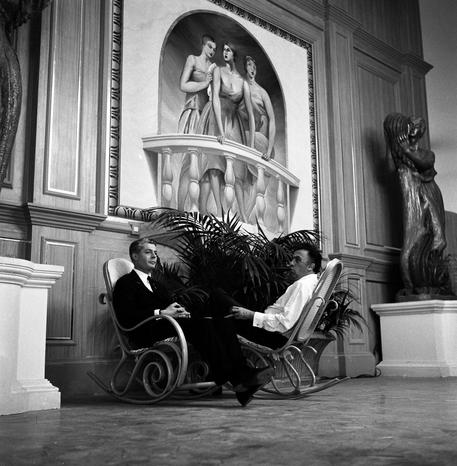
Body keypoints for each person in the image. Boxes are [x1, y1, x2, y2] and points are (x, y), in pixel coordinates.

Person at [112, 238, 273, 406]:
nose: (154, 256)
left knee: (220, 322)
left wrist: (181, 311)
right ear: (135, 256)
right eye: (148, 252)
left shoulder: (157, 284)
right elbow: (126, 317)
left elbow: (171, 305)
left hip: (169, 325)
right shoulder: (125, 283)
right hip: (146, 331)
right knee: (203, 325)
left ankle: (240, 378)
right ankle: (239, 379)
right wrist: (161, 312)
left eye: (155, 253)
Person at [383, 113, 448, 296]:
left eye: (418, 125)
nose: (413, 128)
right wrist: (390, 142)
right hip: (412, 199)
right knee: (412, 241)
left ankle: (432, 281)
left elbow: (424, 162)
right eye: (411, 124)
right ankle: (412, 283)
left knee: (436, 237)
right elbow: (390, 167)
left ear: (422, 131)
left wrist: (405, 149)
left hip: (430, 194)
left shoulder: (427, 154)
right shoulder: (400, 153)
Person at [197, 42, 256, 221]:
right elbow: (215, 97)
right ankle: (219, 209)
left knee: (237, 169)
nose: (224, 52)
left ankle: (242, 215)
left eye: (228, 50)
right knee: (214, 164)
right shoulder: (218, 71)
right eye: (223, 50)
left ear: (234, 54)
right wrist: (220, 131)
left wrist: (251, 145)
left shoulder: (243, 82)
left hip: (233, 121)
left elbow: (251, 115)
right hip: (216, 116)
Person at [229, 244, 322, 349]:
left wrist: (250, 315)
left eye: (297, 260)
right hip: (274, 332)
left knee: (220, 304)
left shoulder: (302, 285)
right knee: (222, 308)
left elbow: (285, 323)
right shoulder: (313, 283)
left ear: (310, 266)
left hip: (273, 336)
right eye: (292, 259)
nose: (291, 263)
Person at [177, 34, 217, 210]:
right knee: (188, 163)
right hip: (193, 112)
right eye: (209, 46)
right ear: (203, 45)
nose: (212, 51)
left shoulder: (213, 68)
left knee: (203, 166)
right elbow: (183, 85)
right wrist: (205, 83)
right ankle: (180, 209)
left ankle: (200, 211)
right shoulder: (192, 59)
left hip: (206, 118)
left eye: (214, 49)